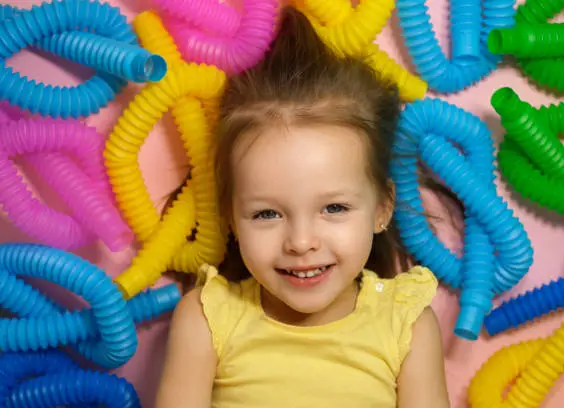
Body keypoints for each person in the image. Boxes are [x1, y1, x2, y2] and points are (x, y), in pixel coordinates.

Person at [155, 6, 451, 408]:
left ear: (382, 207)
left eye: (334, 208)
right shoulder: (207, 319)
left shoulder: (408, 324)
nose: (301, 241)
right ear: (231, 217)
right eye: (267, 214)